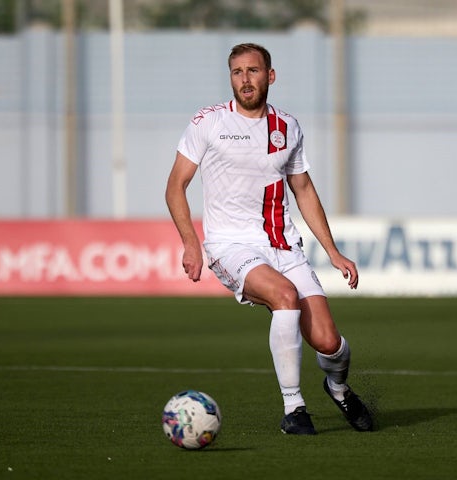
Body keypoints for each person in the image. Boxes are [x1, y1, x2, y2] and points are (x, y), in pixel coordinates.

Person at [165, 43, 373, 435]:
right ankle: (294, 409)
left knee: (329, 342)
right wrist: (192, 243)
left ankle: (339, 388)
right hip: (230, 245)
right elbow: (176, 186)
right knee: (284, 296)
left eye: (253, 71)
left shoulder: (287, 127)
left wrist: (333, 251)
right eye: (237, 72)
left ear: (270, 76)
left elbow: (304, 188)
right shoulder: (207, 122)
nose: (244, 79)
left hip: (283, 246)